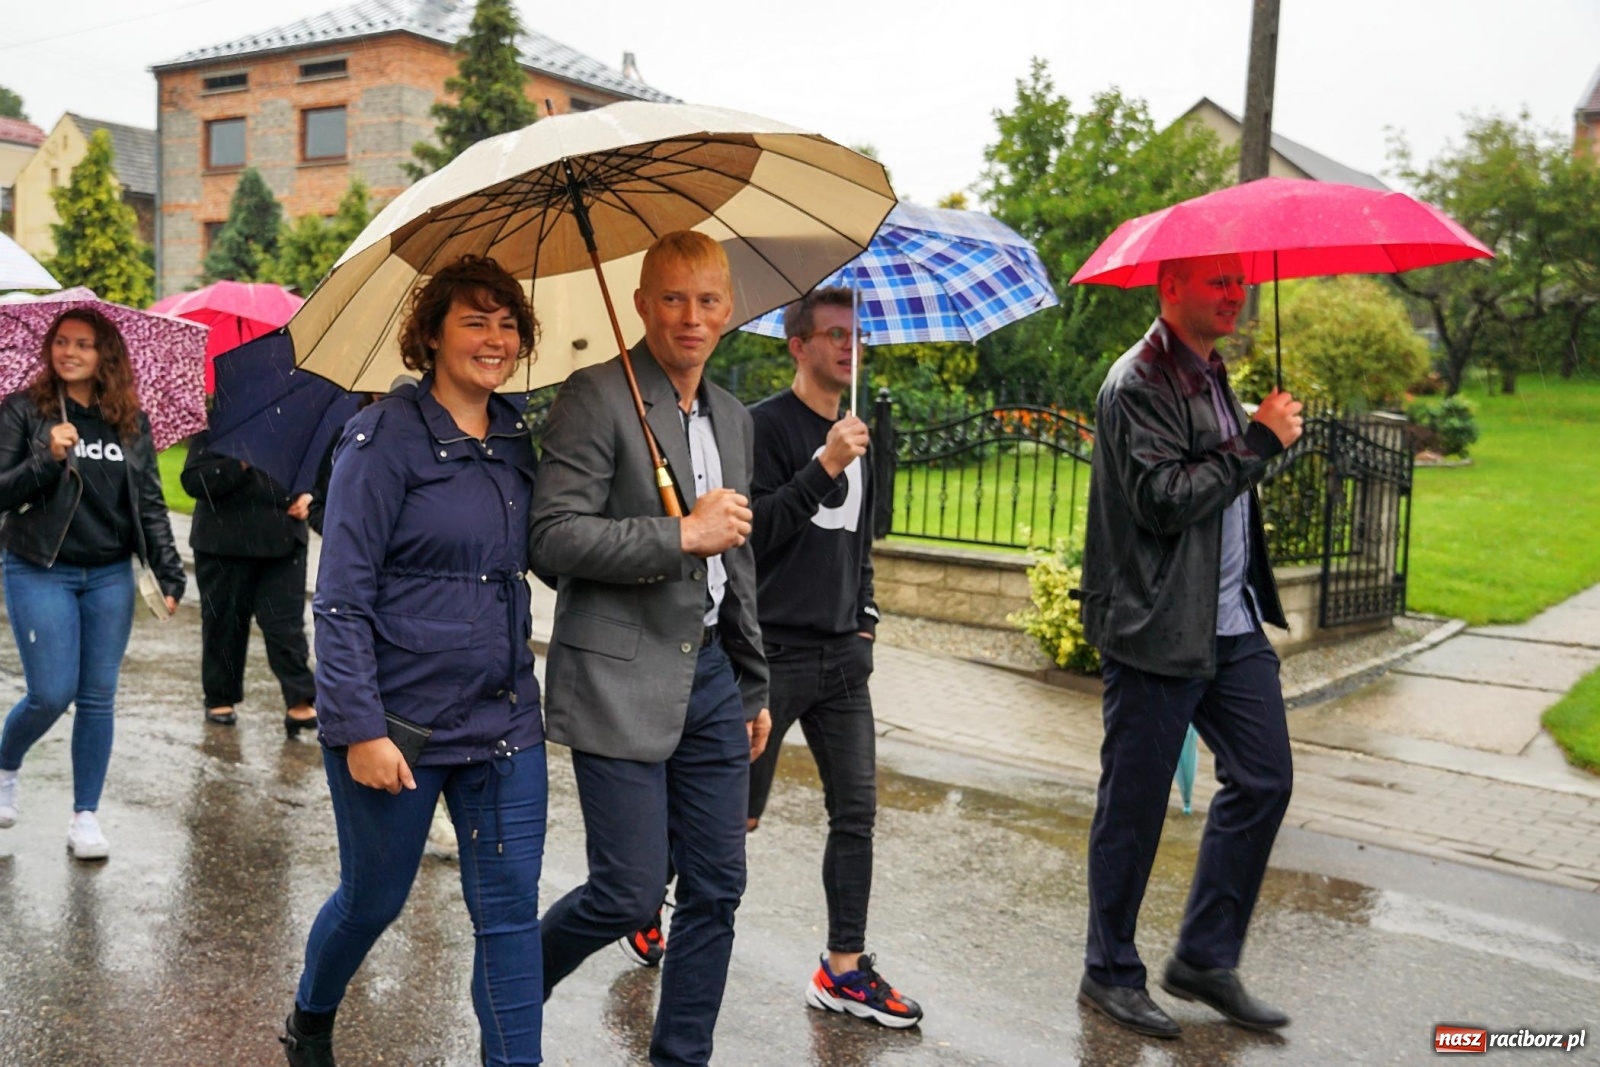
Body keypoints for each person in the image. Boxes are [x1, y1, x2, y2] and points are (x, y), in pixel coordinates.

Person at [280, 256, 546, 1067]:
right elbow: (341, 597)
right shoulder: (380, 439)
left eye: (508, 322)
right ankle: (310, 1018)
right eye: (475, 319)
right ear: (430, 334)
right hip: (399, 726)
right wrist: (359, 727)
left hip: (504, 719)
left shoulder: (515, 438)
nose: (494, 338)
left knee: (507, 917)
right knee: (374, 900)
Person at [532, 230, 771, 1067]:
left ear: (729, 307)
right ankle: (516, 977)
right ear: (641, 305)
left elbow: (734, 558)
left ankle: (680, 1057)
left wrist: (753, 685)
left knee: (717, 888)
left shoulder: (734, 417)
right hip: (618, 675)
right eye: (672, 298)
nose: (691, 318)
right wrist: (677, 534)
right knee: (626, 891)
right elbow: (552, 538)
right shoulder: (598, 395)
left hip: (709, 674)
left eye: (707, 300)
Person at [1073, 253, 1304, 1039]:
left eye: (1242, 281)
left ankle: (1205, 957)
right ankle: (1109, 971)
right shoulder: (1138, 380)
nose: (1237, 293)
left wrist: (1257, 435)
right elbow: (1163, 498)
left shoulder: (1209, 374)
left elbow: (1216, 481)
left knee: (1265, 777)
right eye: (1219, 280)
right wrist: (1259, 445)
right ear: (1169, 286)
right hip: (1157, 625)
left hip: (1230, 623)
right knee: (1133, 809)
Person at [743, 286, 921, 1028]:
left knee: (857, 810)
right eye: (834, 334)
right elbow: (755, 535)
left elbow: (860, 548)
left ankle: (843, 968)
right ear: (799, 345)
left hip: (843, 658)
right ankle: (652, 893)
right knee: (735, 815)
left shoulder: (858, 431)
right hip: (771, 654)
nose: (849, 346)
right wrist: (822, 464)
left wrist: (867, 620)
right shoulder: (762, 428)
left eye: (856, 334)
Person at [0, 306, 184, 860]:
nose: (70, 352)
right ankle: (6, 766)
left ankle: (85, 817)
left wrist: (170, 570)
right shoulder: (23, 411)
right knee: (52, 692)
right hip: (40, 567)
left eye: (83, 343)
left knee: (98, 698)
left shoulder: (128, 421)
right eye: (61, 342)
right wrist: (45, 457)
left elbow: (149, 502)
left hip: (109, 573)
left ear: (106, 353)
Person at [181, 431, 317, 734]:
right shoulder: (221, 427)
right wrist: (239, 461)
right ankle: (220, 696)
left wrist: (310, 497)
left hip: (282, 540)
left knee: (285, 624)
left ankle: (299, 699)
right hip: (222, 543)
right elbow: (194, 482)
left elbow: (322, 473)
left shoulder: (299, 422)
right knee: (224, 622)